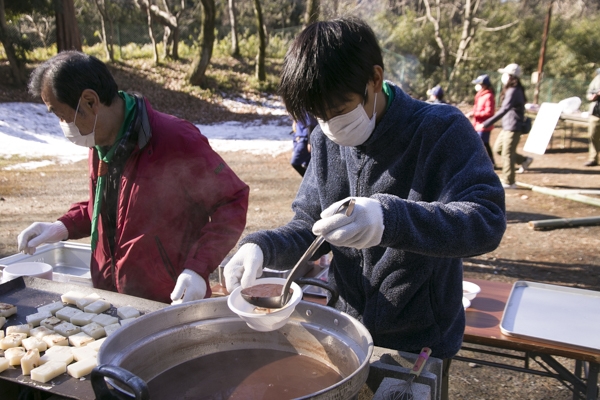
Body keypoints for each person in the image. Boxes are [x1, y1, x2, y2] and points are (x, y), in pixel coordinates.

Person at [223, 18, 506, 398]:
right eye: (318, 117)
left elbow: (485, 219)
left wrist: (388, 219)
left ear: (375, 78)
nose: (330, 126)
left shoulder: (440, 130)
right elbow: (312, 225)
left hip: (419, 340)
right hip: (347, 328)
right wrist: (260, 246)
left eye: (339, 109)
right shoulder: (327, 140)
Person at [18, 51, 249, 304]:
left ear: (90, 101)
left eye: (63, 116)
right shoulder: (99, 142)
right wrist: (61, 227)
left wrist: (197, 268)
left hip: (171, 302)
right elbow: (109, 209)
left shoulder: (174, 138)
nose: (64, 125)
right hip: (114, 301)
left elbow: (231, 201)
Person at [477, 63, 533, 189]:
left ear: (511, 76)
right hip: (507, 126)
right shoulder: (511, 89)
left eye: (505, 74)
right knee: (499, 148)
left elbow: (504, 109)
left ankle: (509, 181)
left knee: (507, 153)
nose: (503, 77)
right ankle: (524, 160)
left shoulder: (513, 91)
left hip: (513, 126)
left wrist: (485, 124)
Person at [466, 74, 496, 167]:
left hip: (484, 125)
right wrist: (473, 112)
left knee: (481, 144)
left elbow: (489, 112)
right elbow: (478, 108)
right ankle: (491, 162)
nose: (477, 85)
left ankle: (488, 163)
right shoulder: (480, 95)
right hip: (477, 124)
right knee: (483, 144)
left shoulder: (488, 96)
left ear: (484, 85)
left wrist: (475, 114)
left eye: (479, 83)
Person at [584, 67, 600, 167]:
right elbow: (589, 92)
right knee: (593, 136)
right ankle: (593, 158)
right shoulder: (597, 78)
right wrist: (592, 96)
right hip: (596, 113)